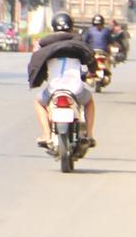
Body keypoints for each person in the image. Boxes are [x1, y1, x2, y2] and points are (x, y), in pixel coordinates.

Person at [28, 11, 97, 151]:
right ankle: (89, 135)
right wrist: (91, 72)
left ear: (53, 27)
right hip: (76, 90)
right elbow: (90, 60)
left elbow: (36, 63)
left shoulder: (44, 45)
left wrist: (37, 79)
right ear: (71, 27)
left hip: (54, 91)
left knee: (38, 101)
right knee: (89, 102)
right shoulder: (79, 44)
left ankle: (46, 134)